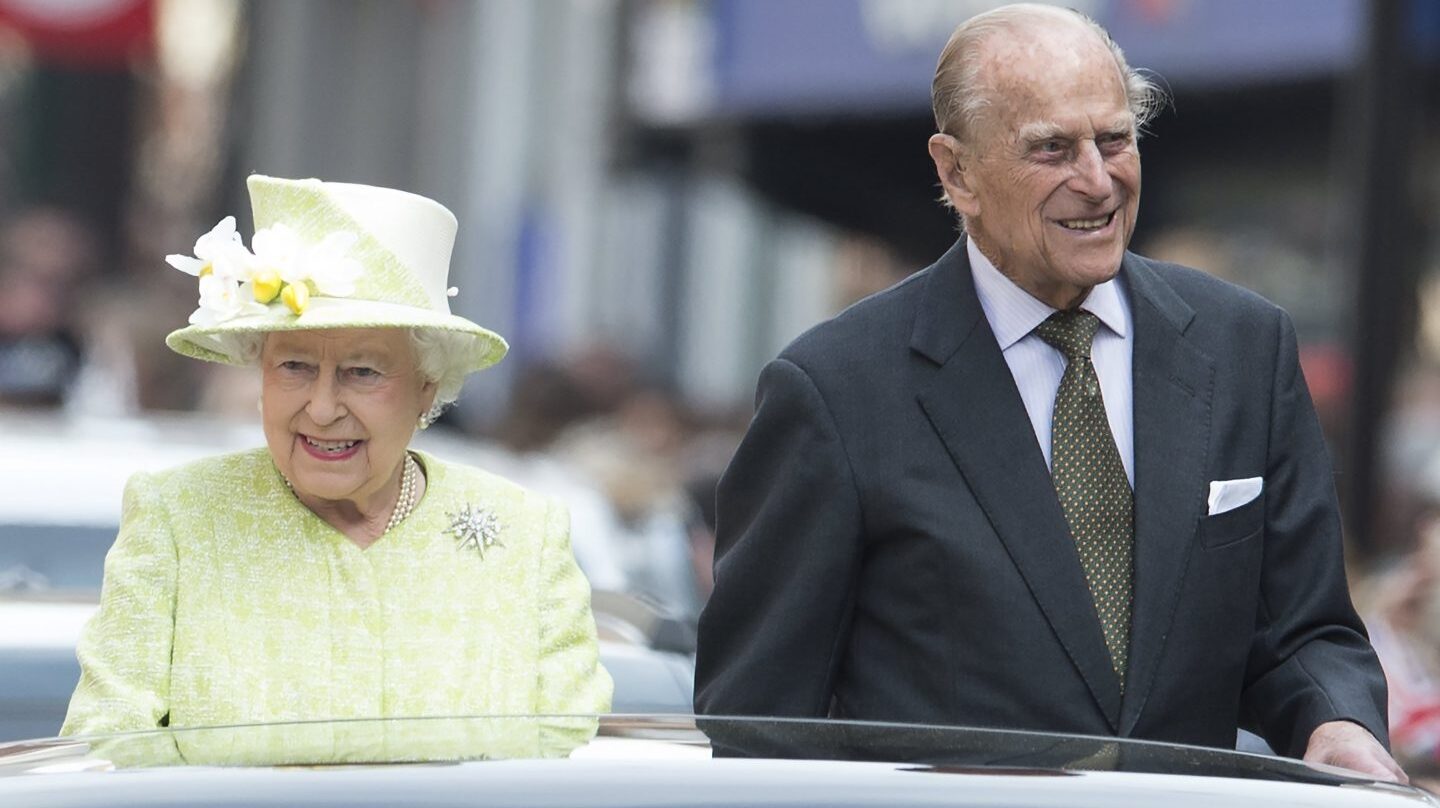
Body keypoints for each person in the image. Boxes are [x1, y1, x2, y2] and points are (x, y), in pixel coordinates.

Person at [694, 4, 1403, 781]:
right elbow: (758, 725)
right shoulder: (835, 391)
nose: (1097, 182)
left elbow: (1303, 631)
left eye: (1115, 140)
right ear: (956, 170)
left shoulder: (1244, 349)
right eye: (1052, 149)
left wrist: (1336, 719)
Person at [62, 176, 612, 751]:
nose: (322, 409)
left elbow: (565, 756)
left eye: (363, 372)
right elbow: (109, 745)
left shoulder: (525, 532)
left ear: (427, 390)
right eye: (295, 366)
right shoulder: (178, 517)